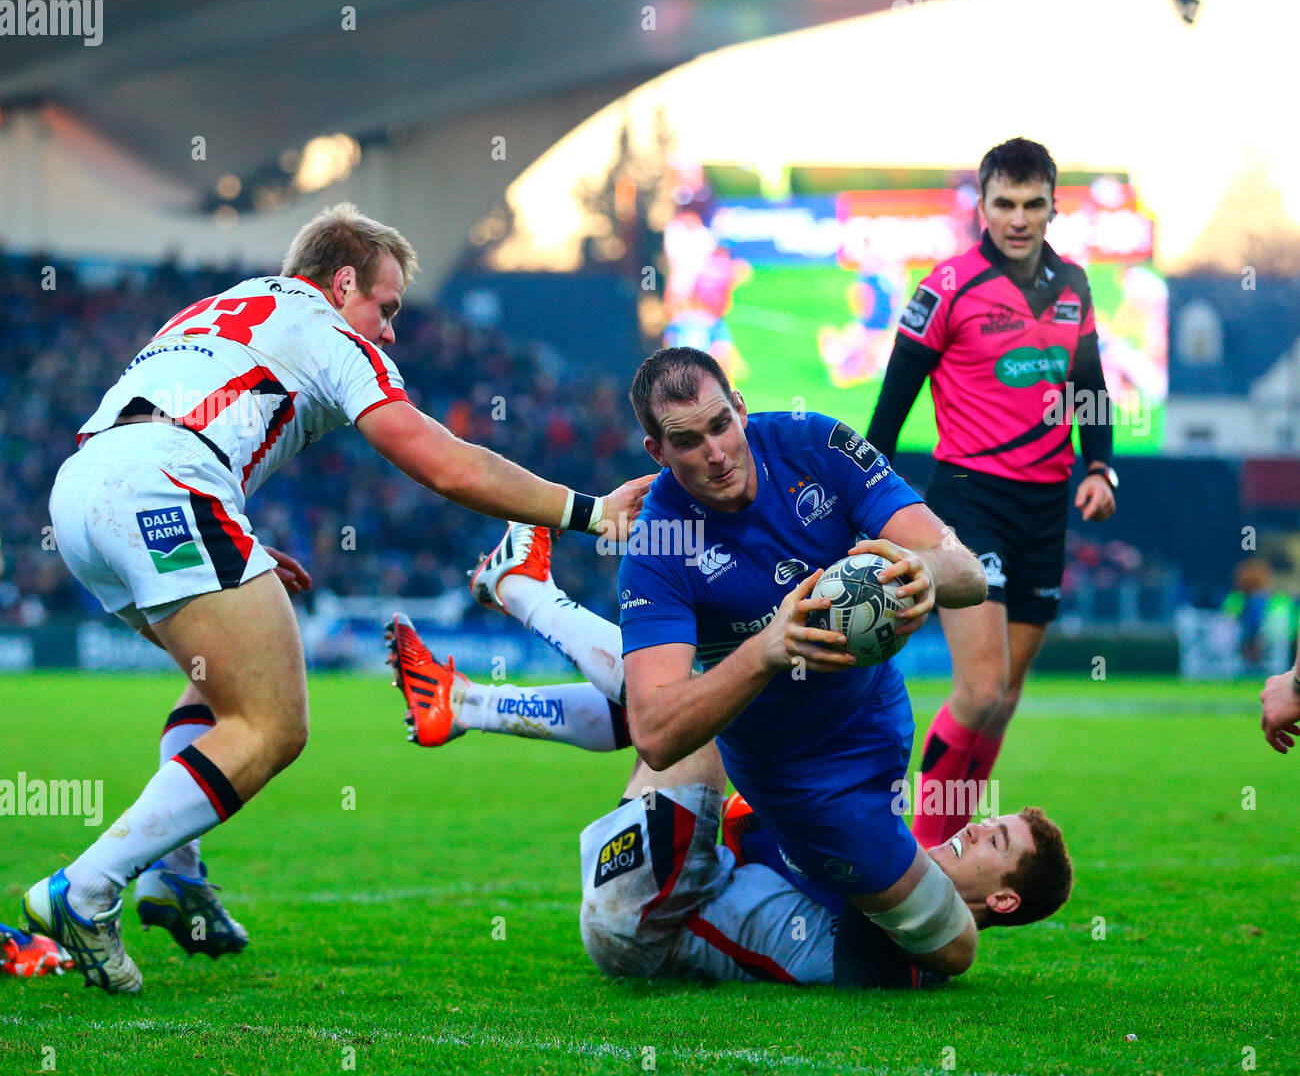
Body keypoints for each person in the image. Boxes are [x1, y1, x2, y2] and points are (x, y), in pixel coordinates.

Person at [22, 202, 654, 994]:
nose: (388, 329)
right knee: (274, 723)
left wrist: (238, 544)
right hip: (166, 488)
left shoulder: (225, 305)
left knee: (222, 687)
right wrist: (590, 513)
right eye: (385, 307)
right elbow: (442, 461)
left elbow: (181, 416)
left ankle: (174, 874)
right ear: (343, 281)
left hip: (84, 491)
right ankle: (86, 885)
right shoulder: (328, 329)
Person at [384, 524, 1073, 987]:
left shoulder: (932, 942)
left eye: (998, 838)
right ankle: (466, 702)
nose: (979, 823)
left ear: (1004, 895)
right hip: (662, 880)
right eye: (996, 819)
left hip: (648, 924)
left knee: (702, 701)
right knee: (688, 708)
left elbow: (946, 938)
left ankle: (523, 590)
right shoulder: (901, 864)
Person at [607, 346, 989, 977]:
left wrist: (923, 567)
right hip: (799, 779)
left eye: (720, 425)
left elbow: (968, 574)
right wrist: (767, 648)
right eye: (686, 441)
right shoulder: (658, 545)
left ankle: (774, 852)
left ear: (740, 408)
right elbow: (653, 732)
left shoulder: (818, 446)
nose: (715, 453)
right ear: (657, 453)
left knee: (882, 910)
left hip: (880, 713)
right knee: (951, 951)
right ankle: (773, 845)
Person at [865, 137, 1117, 853]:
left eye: (1032, 204)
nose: (1017, 218)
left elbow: (1090, 389)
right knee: (978, 689)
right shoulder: (946, 286)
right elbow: (892, 406)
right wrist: (867, 493)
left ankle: (952, 853)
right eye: (1003, 203)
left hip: (1045, 506)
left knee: (1003, 700)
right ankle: (913, 862)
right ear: (981, 205)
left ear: (1052, 208)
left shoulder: (1075, 287)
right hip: (969, 502)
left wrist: (1099, 468)